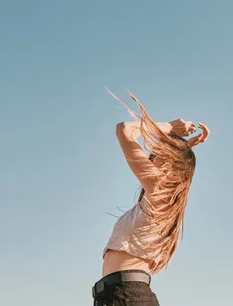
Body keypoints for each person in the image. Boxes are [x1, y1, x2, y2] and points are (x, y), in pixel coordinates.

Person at [92, 91, 210, 306]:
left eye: (159, 155)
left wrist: (168, 128)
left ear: (172, 167)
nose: (151, 158)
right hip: (120, 296)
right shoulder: (157, 200)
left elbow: (125, 130)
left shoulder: (160, 194)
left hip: (126, 296)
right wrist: (185, 149)